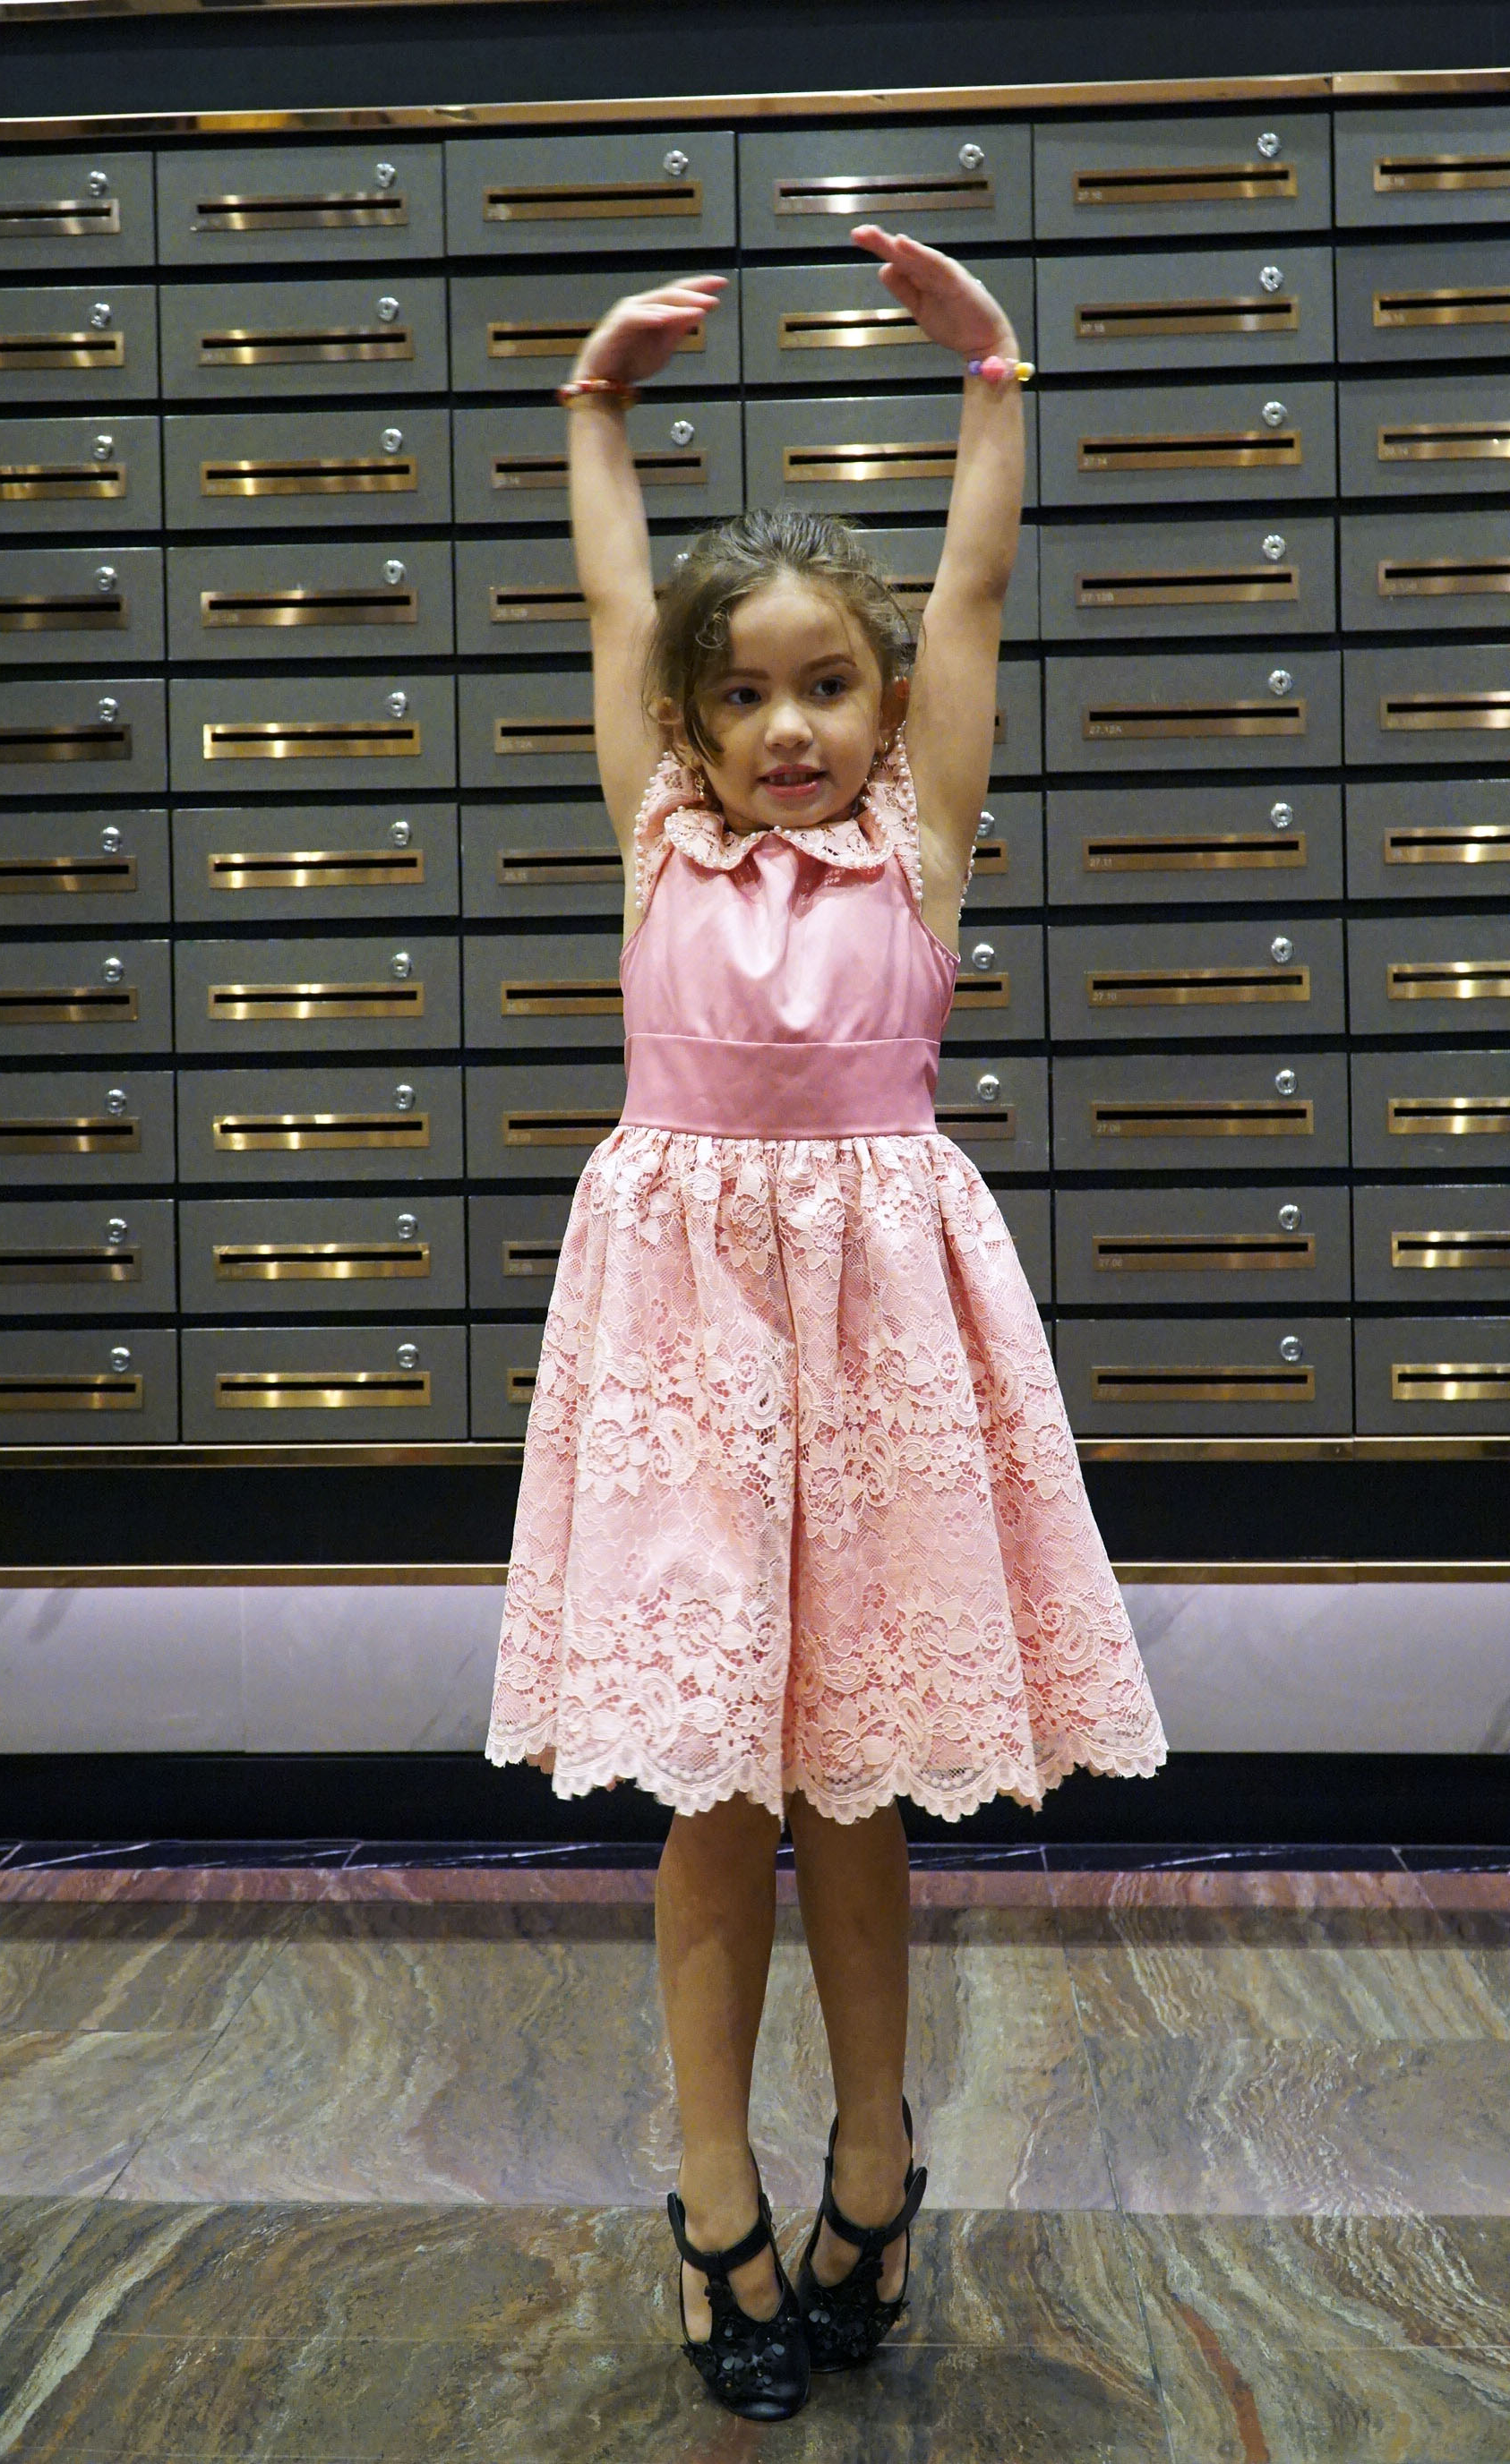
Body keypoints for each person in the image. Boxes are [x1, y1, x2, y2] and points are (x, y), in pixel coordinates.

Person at [485, 227, 1167, 2422]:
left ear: (880, 710)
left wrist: (995, 382)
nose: (790, 724)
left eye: (828, 688)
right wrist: (594, 405)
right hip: (688, 1335)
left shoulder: (920, 844)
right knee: (712, 1792)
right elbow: (614, 600)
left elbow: (965, 596)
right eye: (744, 692)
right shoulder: (657, 836)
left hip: (877, 1338)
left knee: (859, 1786)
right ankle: (715, 2192)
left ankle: (876, 2157)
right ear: (689, 723)